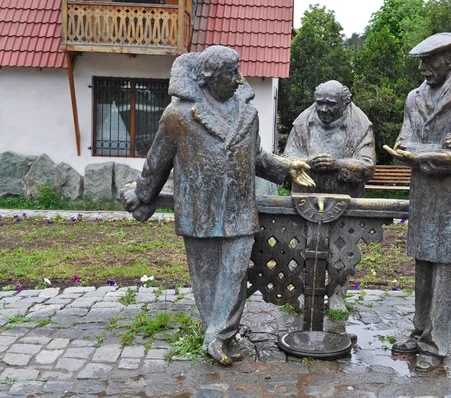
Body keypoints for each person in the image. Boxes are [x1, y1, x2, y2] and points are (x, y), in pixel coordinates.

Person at [123, 45, 315, 366]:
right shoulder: (179, 115)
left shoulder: (248, 113)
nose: (239, 81)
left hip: (239, 210)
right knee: (207, 280)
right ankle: (217, 332)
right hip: (199, 212)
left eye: (238, 72)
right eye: (231, 73)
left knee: (236, 272)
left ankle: (219, 335)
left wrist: (286, 168)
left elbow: (255, 158)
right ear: (210, 78)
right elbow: (158, 162)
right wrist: (143, 196)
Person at [384, 32, 451, 371]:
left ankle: (435, 345)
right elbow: (402, 144)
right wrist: (435, 149)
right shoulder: (414, 97)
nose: (422, 68)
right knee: (423, 268)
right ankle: (419, 333)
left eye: (428, 61)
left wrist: (420, 151)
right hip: (424, 197)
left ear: (450, 58)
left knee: (446, 272)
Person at [283, 80, 376, 311]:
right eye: (320, 103)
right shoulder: (303, 121)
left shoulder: (360, 125)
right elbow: (287, 157)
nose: (323, 109)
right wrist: (306, 161)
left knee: (343, 249)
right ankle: (305, 292)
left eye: (330, 104)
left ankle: (337, 295)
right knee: (303, 247)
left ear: (345, 103)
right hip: (307, 195)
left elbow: (367, 166)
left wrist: (338, 164)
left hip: (345, 198)